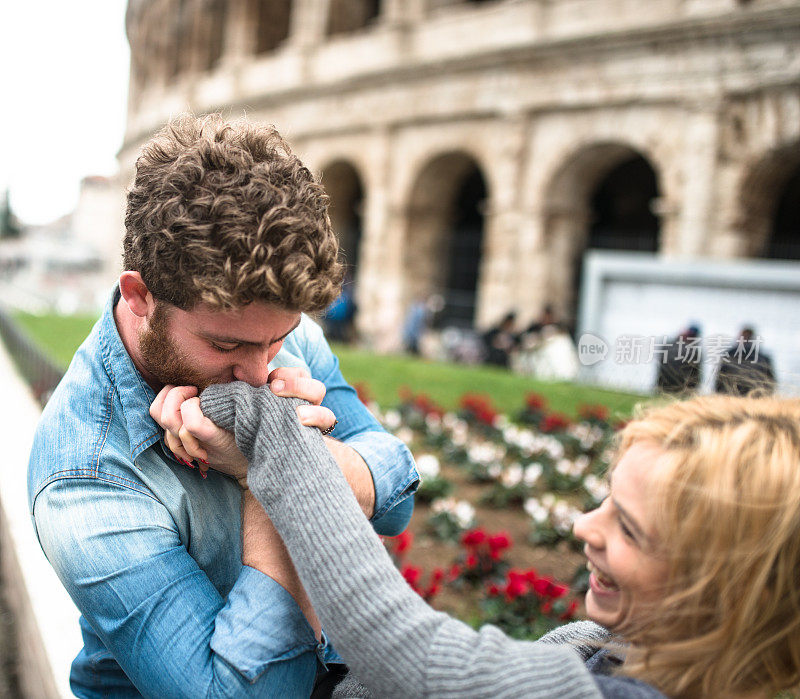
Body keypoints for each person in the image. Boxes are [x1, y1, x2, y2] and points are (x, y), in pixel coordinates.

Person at [28, 114, 418, 698]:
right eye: (226, 345)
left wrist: (294, 455)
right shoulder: (83, 477)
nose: (260, 373)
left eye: (277, 339)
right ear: (140, 298)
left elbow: (395, 496)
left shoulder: (264, 327)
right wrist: (276, 467)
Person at [198, 385, 800, 697]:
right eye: (607, 499)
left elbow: (409, 656)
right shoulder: (611, 657)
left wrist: (265, 425)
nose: (585, 526)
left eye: (630, 530)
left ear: (716, 591)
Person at [715, 326, 776, 396]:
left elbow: (719, 380)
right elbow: (771, 383)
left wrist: (719, 395)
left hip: (730, 396)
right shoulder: (763, 358)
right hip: (756, 397)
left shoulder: (729, 354)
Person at [655, 324, 702, 395]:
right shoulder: (694, 352)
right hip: (681, 390)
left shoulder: (666, 345)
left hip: (662, 387)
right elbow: (697, 376)